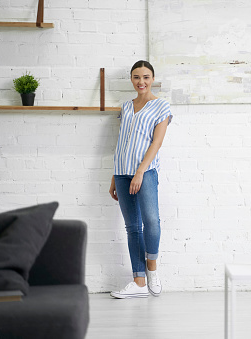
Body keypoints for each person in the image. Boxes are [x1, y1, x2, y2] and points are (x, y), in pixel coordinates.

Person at [109, 60, 172, 298]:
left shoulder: (161, 107)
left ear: (152, 78)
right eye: (136, 77)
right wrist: (114, 176)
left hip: (145, 173)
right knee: (132, 227)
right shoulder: (126, 107)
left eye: (145, 77)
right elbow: (121, 144)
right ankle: (138, 282)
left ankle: (152, 271)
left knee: (151, 221)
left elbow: (156, 143)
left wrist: (140, 171)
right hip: (122, 172)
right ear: (131, 80)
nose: (141, 82)